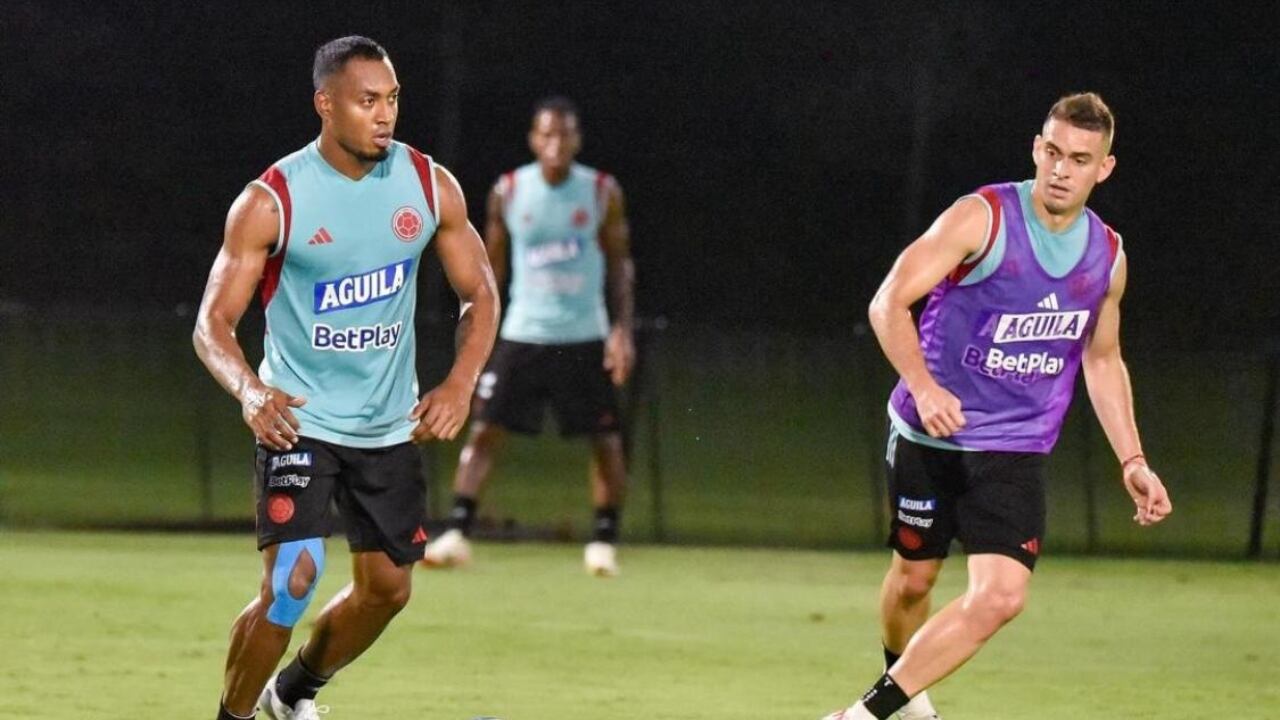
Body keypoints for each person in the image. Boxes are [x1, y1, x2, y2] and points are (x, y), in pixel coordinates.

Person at [823, 93, 1173, 720]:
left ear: (1104, 169)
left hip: (1015, 447)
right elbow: (888, 302)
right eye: (1053, 152)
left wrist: (1133, 460)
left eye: (1080, 159)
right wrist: (924, 386)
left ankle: (862, 716)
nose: (1061, 169)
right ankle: (906, 695)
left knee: (1002, 597)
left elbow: (1101, 359)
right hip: (929, 438)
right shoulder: (981, 218)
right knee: (913, 582)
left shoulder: (1107, 255)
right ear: (1037, 149)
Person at [193, 36, 498, 720]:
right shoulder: (273, 200)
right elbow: (212, 324)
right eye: (367, 101)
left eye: (392, 99)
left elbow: (480, 292)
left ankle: (291, 694)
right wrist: (250, 390)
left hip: (388, 427)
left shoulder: (428, 186)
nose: (384, 115)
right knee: (291, 584)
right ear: (325, 105)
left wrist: (459, 383)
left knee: (388, 590)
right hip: (298, 421)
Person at [422, 96, 635, 576]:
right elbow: (490, 268)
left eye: (565, 134)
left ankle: (604, 542)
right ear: (534, 139)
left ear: (577, 140)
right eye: (547, 134)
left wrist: (621, 330)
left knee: (605, 439)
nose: (556, 143)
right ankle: (457, 532)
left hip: (584, 335)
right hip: (524, 333)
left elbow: (620, 262)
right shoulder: (510, 190)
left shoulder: (601, 191)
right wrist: (480, 329)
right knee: (484, 430)